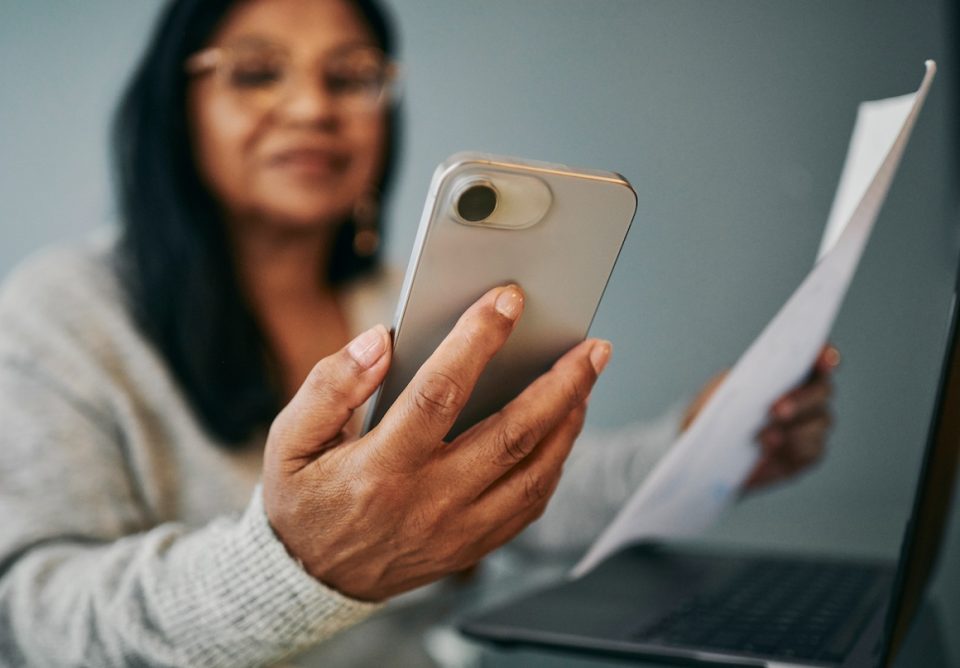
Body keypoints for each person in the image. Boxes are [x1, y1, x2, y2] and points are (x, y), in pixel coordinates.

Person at [0, 0, 837, 665]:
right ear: (173, 109)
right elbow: (35, 617)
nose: (312, 106)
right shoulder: (62, 313)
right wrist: (296, 564)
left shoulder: (404, 301)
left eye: (352, 76)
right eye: (257, 73)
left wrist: (701, 444)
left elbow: (513, 497)